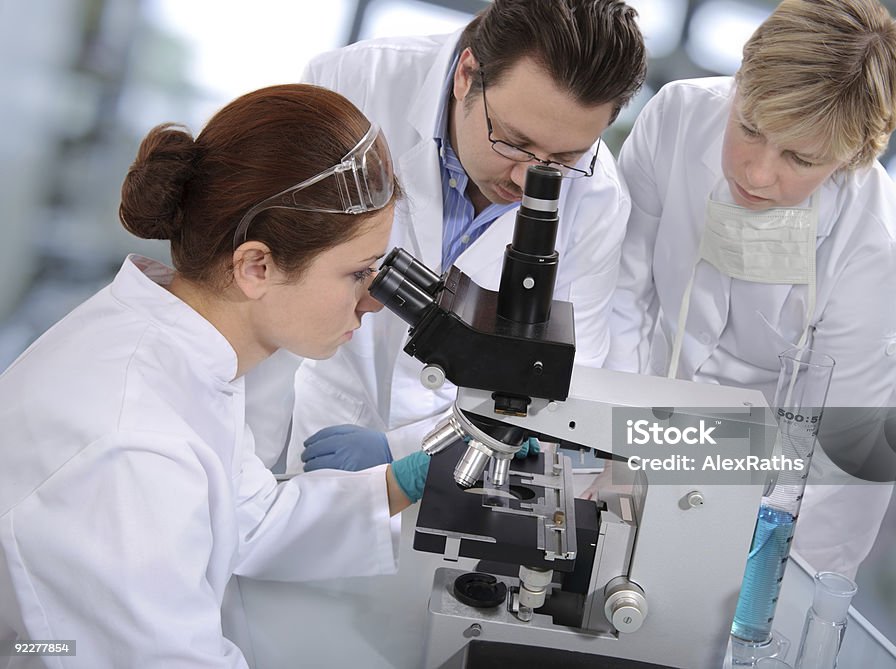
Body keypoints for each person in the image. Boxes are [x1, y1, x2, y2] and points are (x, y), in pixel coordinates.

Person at [0, 84, 431, 667]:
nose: (373, 302)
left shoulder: (180, 356)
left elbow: (248, 517)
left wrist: (411, 478)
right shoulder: (132, 445)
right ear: (256, 265)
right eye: (357, 274)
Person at [244, 0, 647, 474]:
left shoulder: (598, 199)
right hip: (308, 413)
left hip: (456, 463)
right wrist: (246, 463)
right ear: (466, 75)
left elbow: (562, 382)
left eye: (564, 158)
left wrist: (409, 451)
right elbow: (258, 290)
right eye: (514, 143)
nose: (526, 179)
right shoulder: (354, 85)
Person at [604, 0, 896, 579]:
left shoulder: (876, 243)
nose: (756, 172)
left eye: (799, 157)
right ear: (742, 81)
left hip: (754, 486)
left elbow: (852, 457)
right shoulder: (676, 116)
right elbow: (618, 296)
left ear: (851, 155)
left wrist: (774, 592)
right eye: (749, 127)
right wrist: (607, 442)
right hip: (625, 422)